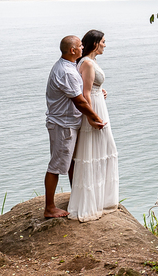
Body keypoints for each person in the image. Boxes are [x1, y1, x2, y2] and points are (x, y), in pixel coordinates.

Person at [44, 35, 104, 219]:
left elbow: (82, 89)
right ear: (72, 50)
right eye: (80, 45)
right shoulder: (66, 72)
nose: (82, 47)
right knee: (56, 165)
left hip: (68, 122)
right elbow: (79, 101)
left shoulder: (69, 66)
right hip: (63, 125)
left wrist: (98, 91)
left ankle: (75, 196)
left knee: (71, 162)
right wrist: (95, 118)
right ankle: (49, 207)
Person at [68, 29, 120, 221]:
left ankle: (99, 198)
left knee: (100, 149)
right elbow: (86, 93)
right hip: (94, 108)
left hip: (98, 103)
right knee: (98, 150)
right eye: (103, 42)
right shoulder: (88, 63)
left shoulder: (87, 61)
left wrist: (101, 89)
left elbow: (90, 87)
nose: (105, 45)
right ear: (95, 43)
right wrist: (92, 117)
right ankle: (95, 201)